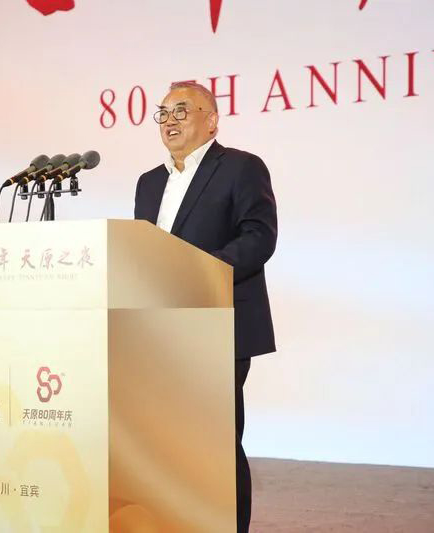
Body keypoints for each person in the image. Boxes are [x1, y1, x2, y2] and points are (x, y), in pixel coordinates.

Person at [133, 81, 277, 533]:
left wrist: (196, 271)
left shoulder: (240, 167)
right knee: (165, 442)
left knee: (215, 441)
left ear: (212, 120)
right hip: (160, 330)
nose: (169, 120)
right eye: (163, 113)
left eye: (182, 110)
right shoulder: (149, 182)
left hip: (219, 322)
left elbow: (259, 237)